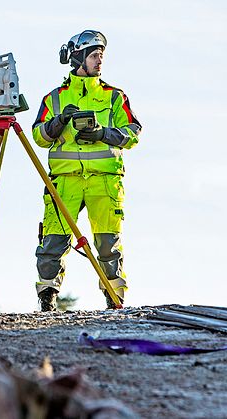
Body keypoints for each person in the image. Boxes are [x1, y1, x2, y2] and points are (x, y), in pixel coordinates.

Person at [31, 30, 141, 311]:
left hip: (104, 182)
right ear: (78, 57)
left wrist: (104, 133)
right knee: (53, 242)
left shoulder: (114, 97)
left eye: (101, 55)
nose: (100, 60)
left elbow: (134, 133)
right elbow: (39, 136)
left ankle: (115, 300)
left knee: (108, 245)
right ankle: (47, 299)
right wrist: (58, 123)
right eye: (94, 55)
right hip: (64, 181)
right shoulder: (53, 98)